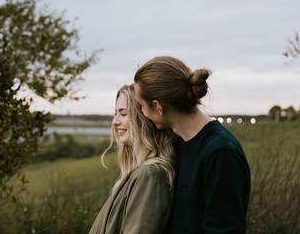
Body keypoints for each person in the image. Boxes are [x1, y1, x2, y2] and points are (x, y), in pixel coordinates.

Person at [133, 56, 251, 234]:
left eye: (141, 105)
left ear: (158, 106)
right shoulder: (178, 143)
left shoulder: (221, 154)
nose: (142, 112)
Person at [89, 84, 177, 234]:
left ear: (143, 119)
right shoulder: (140, 173)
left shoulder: (150, 176)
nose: (115, 121)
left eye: (123, 114)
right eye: (116, 113)